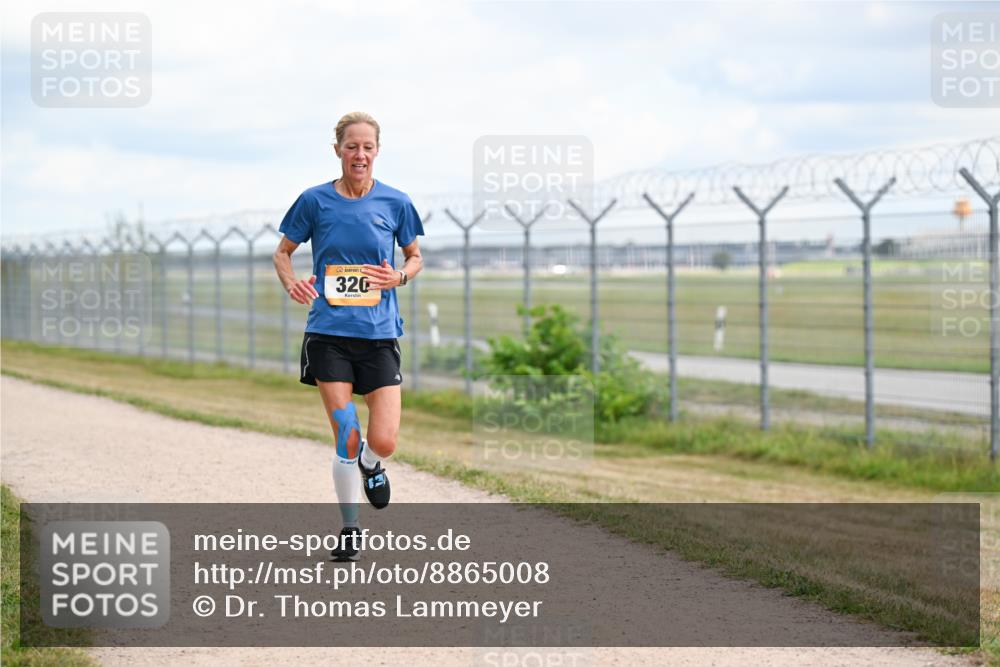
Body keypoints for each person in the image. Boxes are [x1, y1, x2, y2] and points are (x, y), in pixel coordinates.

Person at [272, 111, 424, 561]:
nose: (360, 154)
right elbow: (283, 252)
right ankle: (351, 528)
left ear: (377, 151)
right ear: (337, 149)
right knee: (347, 436)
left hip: (379, 336)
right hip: (329, 335)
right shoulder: (314, 201)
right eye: (351, 146)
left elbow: (415, 256)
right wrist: (291, 281)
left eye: (368, 147)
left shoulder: (396, 203)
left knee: (383, 441)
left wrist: (398, 276)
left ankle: (373, 466)